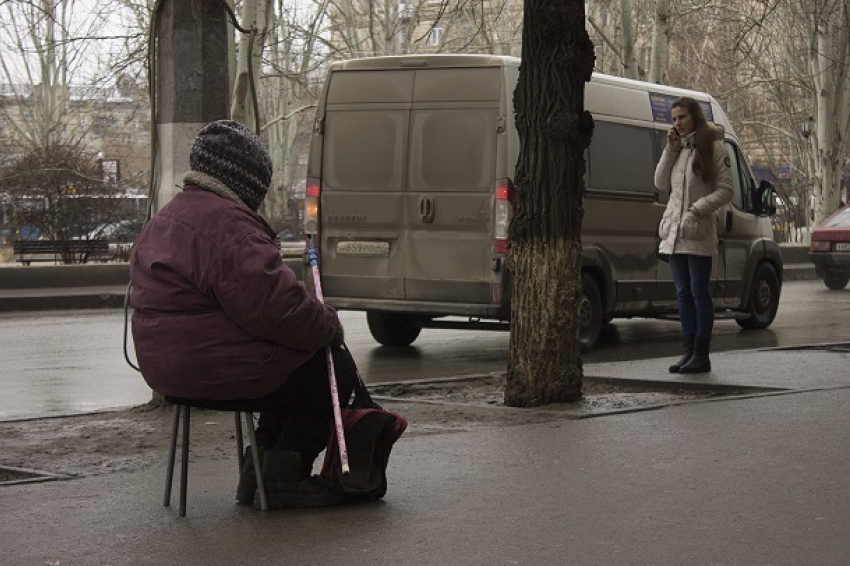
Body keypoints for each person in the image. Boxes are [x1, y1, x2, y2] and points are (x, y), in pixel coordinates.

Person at [130, 120, 355, 509]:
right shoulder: (229, 227)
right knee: (332, 367)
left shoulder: (164, 219)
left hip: (167, 371)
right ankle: (281, 476)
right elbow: (278, 309)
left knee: (290, 367)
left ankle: (260, 476)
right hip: (212, 370)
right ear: (245, 179)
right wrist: (330, 325)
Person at [655, 97, 733, 374]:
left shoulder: (713, 146)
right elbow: (660, 183)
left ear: (695, 118)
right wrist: (670, 149)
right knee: (682, 294)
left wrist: (697, 210)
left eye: (682, 117)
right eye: (674, 118)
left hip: (697, 230)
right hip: (674, 232)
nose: (677, 123)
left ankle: (702, 354)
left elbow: (726, 190)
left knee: (699, 293)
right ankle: (688, 352)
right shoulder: (679, 149)